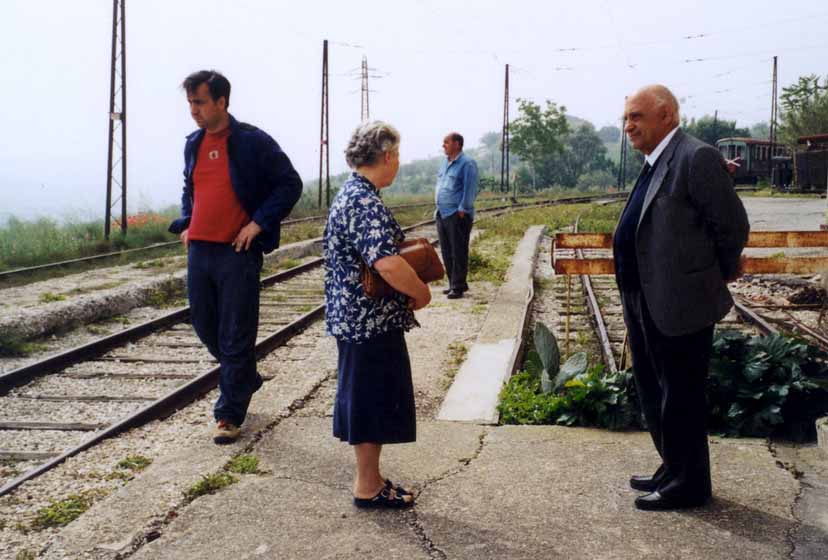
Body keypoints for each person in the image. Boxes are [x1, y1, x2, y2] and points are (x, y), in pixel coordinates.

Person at [612, 85, 749, 511]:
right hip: (646, 296)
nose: (628, 126)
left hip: (681, 298)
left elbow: (732, 227)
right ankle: (673, 466)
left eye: (636, 117)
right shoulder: (656, 160)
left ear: (667, 115)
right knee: (654, 387)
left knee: (681, 391)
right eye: (625, 119)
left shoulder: (696, 157)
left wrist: (707, 276)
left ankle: (690, 484)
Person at [168, 70, 302, 444]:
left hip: (236, 252)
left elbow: (290, 184)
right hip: (200, 251)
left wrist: (257, 224)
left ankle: (228, 415)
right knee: (204, 324)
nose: (193, 110)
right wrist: (186, 224)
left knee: (235, 334)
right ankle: (244, 377)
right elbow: (189, 188)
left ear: (222, 102)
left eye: (200, 102)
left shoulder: (251, 141)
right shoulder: (193, 143)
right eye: (190, 103)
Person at [324, 121, 431, 508]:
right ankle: (367, 486)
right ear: (386, 156)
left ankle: (371, 478)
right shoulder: (362, 200)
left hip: (362, 319)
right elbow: (386, 263)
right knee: (370, 400)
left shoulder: (356, 193)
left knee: (370, 397)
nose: (398, 163)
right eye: (398, 155)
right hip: (366, 322)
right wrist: (420, 292)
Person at [434, 132, 479, 299]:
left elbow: (471, 188)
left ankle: (458, 286)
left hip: (457, 213)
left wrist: (463, 209)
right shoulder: (444, 163)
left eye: (446, 142)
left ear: (457, 144)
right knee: (446, 250)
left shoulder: (467, 164)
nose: (443, 145)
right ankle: (454, 282)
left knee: (458, 250)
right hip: (442, 213)